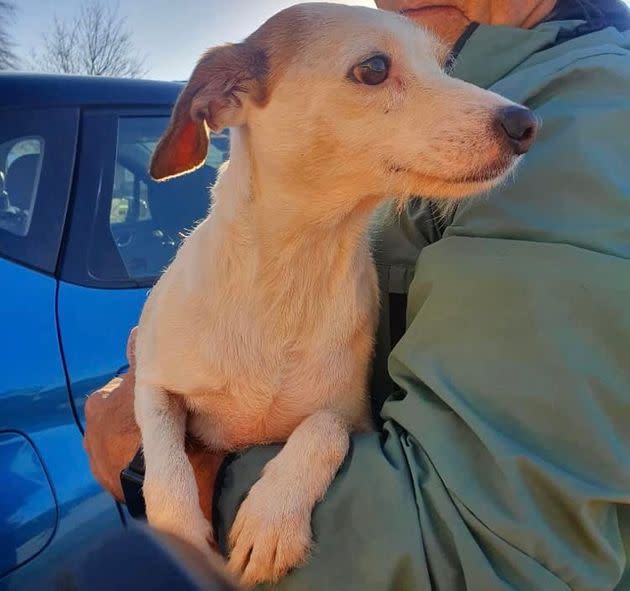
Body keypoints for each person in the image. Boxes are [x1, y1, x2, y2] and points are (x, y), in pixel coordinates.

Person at [84, 0, 630, 589]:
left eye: (376, 71)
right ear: (224, 99)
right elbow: (160, 382)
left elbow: (486, 545)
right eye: (374, 71)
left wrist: (183, 478)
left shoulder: (590, 118)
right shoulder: (487, 82)